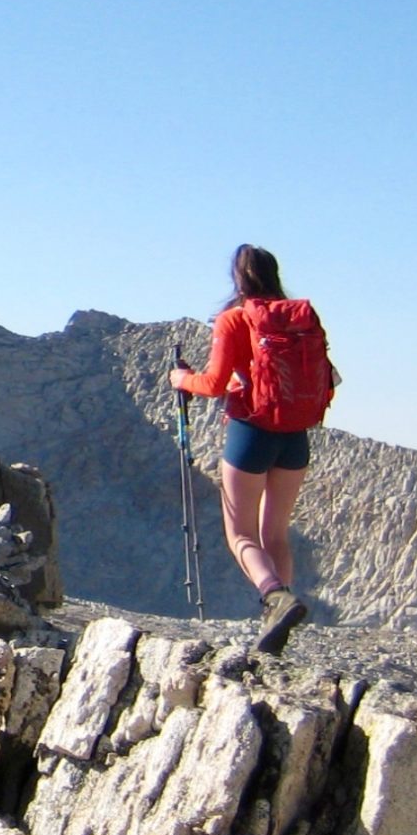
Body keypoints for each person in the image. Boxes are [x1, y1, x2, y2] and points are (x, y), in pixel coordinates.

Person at [170, 244, 338, 651]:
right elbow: (328, 379)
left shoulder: (234, 318)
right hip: (295, 436)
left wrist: (181, 380)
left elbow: (213, 384)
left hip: (251, 434)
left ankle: (275, 598)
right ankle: (278, 617)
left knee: (241, 535)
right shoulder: (301, 320)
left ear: (238, 277)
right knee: (275, 533)